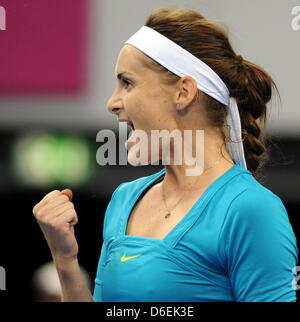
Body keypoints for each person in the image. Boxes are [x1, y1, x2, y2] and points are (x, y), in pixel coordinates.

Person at [32, 7, 298, 302]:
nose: (112, 102)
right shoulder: (125, 199)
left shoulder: (251, 209)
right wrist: (64, 259)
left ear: (183, 92)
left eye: (127, 82)